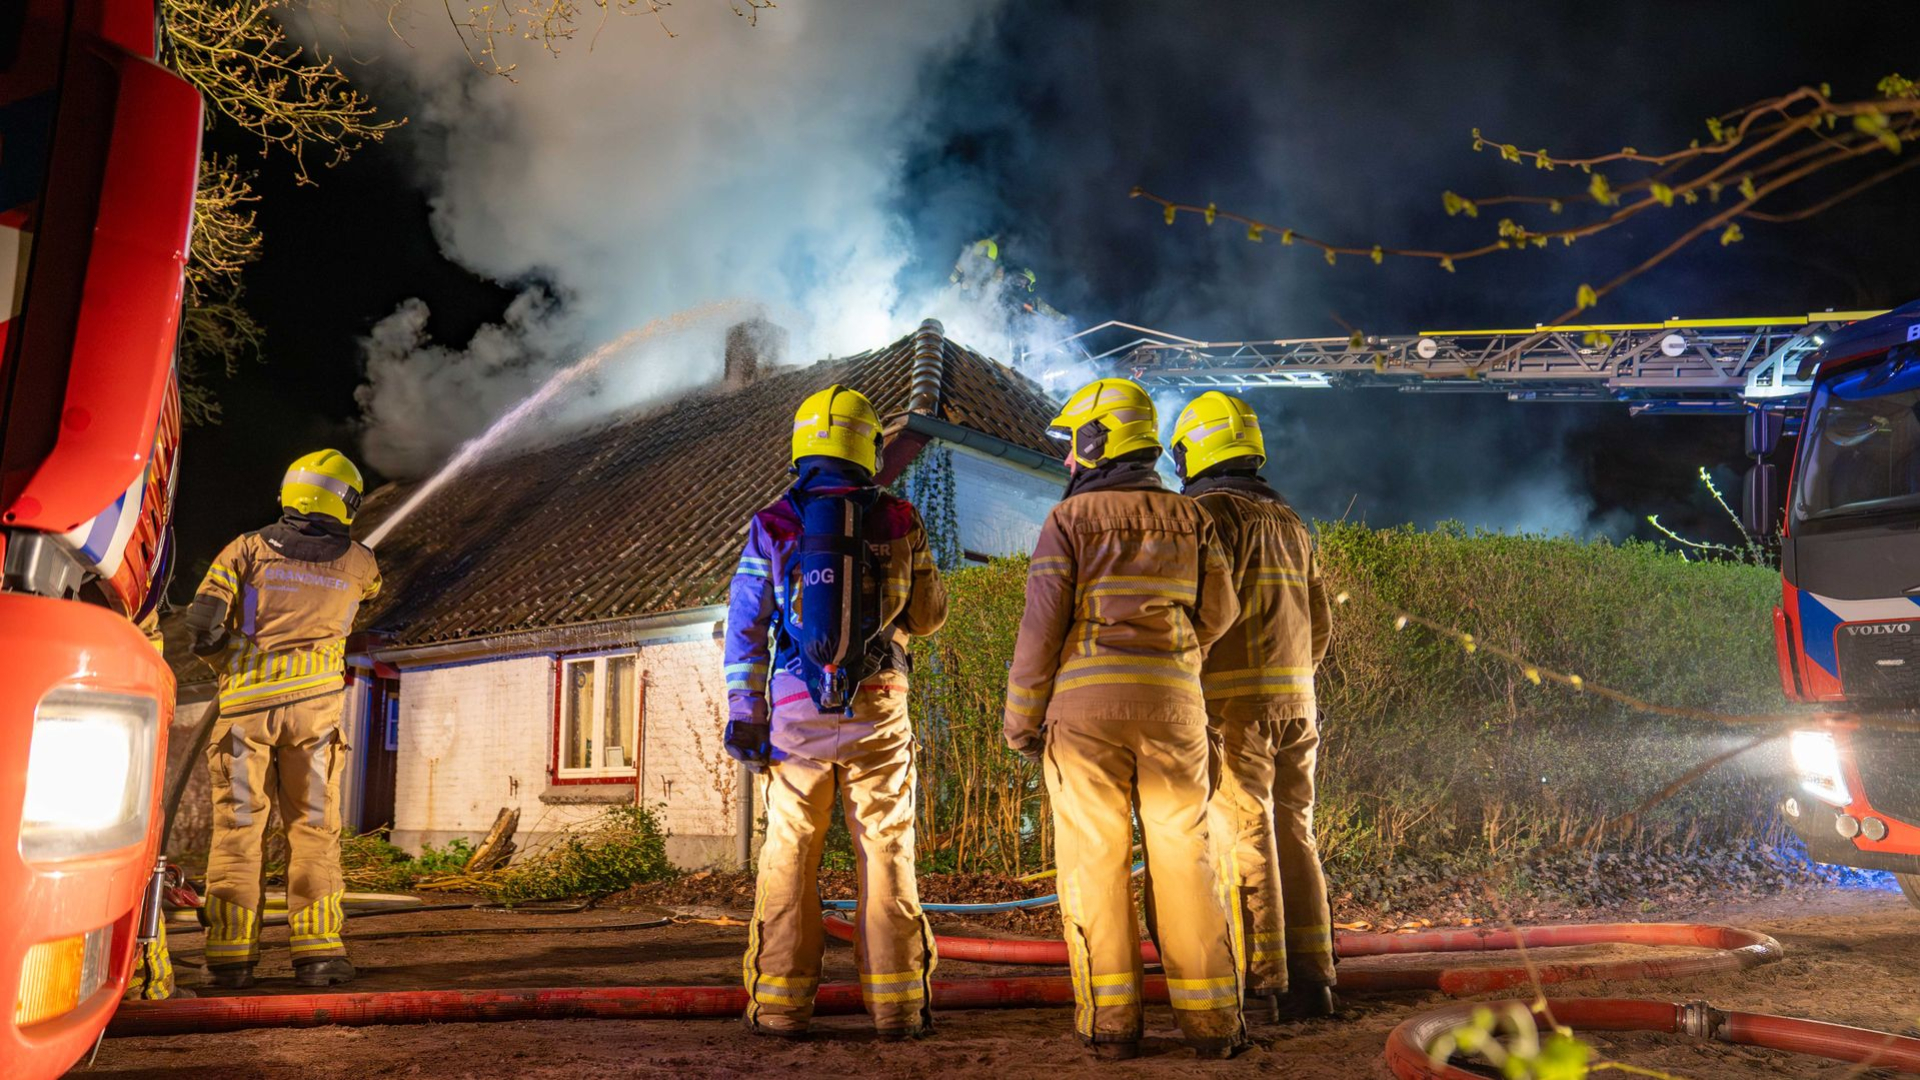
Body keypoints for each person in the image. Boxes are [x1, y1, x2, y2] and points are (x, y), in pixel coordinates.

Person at [1003, 377, 1245, 1059]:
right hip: (1174, 710)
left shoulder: (1067, 520)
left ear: (1095, 441)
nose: (1067, 458)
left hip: (1084, 719)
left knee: (1096, 862)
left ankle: (1112, 1026)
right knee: (1186, 857)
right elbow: (1220, 611)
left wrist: (1022, 720)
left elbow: (1040, 633)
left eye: (1071, 444)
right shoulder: (1192, 518)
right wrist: (1175, 658)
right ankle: (1213, 1023)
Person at [724, 384, 948, 1040]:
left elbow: (746, 625)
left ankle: (780, 1007)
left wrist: (747, 709)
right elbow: (928, 617)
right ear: (869, 447)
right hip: (879, 704)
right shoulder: (900, 518)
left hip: (796, 715)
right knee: (886, 848)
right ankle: (898, 1008)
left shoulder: (773, 522)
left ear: (803, 446)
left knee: (790, 854)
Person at [186, 450, 381, 989]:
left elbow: (202, 624)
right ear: (346, 501)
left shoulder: (245, 549)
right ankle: (320, 956)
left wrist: (229, 663)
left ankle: (229, 960)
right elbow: (368, 592)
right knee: (314, 830)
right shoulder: (361, 562)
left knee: (238, 830)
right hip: (315, 721)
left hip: (244, 719)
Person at [1170, 391, 1336, 1020]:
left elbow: (1200, 614)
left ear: (1195, 450)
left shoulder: (1208, 514)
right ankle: (1315, 977)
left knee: (1244, 833)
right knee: (1295, 829)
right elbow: (1320, 623)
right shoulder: (1291, 520)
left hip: (1231, 706)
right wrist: (1292, 682)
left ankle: (1261, 981)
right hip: (1298, 702)